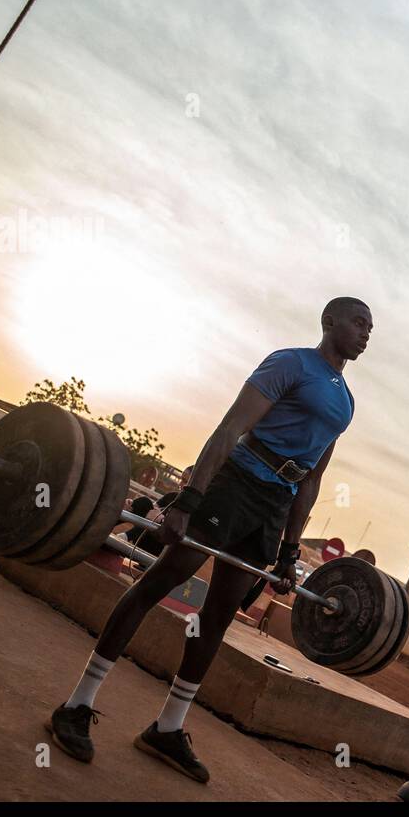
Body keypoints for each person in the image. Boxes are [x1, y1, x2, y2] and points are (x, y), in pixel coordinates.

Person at [45, 298, 370, 782]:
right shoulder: (290, 362)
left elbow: (312, 479)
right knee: (161, 581)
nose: (366, 332)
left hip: (274, 506)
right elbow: (232, 427)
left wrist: (287, 550)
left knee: (219, 613)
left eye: (371, 327)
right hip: (236, 484)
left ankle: (168, 728)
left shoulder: (345, 400)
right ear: (329, 322)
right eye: (358, 322)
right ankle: (76, 704)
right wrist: (189, 501)